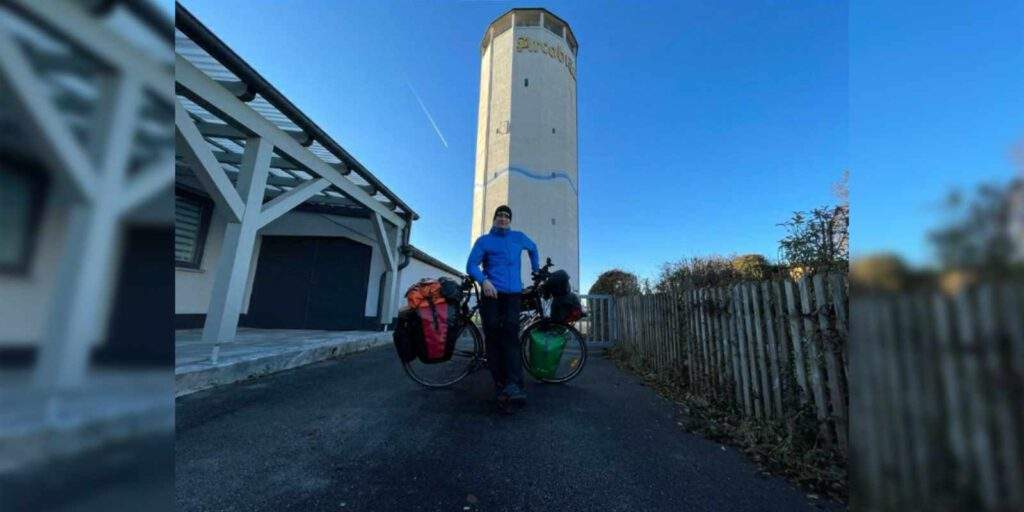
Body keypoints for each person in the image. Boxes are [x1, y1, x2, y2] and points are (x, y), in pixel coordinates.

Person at [466, 205, 540, 409]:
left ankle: (514, 384)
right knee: (492, 334)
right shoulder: (484, 241)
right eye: (499, 215)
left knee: (510, 334)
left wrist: (536, 270)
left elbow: (533, 248)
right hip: (492, 293)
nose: (503, 218)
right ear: (494, 219)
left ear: (510, 220)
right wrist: (484, 281)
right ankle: (499, 381)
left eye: (506, 216)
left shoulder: (518, 237)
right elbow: (471, 265)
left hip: (513, 294)